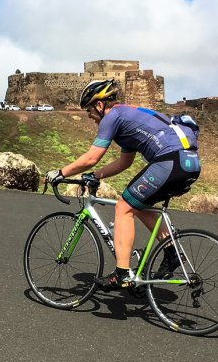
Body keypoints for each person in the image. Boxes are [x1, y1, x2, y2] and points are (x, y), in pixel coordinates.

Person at [44, 79, 201, 290]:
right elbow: (124, 162)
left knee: (123, 207)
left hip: (170, 161)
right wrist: (96, 175)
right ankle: (172, 253)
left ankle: (122, 274)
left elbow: (92, 157)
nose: (90, 117)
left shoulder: (113, 117)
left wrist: (60, 173)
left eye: (90, 110)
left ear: (100, 105)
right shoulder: (128, 117)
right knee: (139, 205)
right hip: (188, 162)